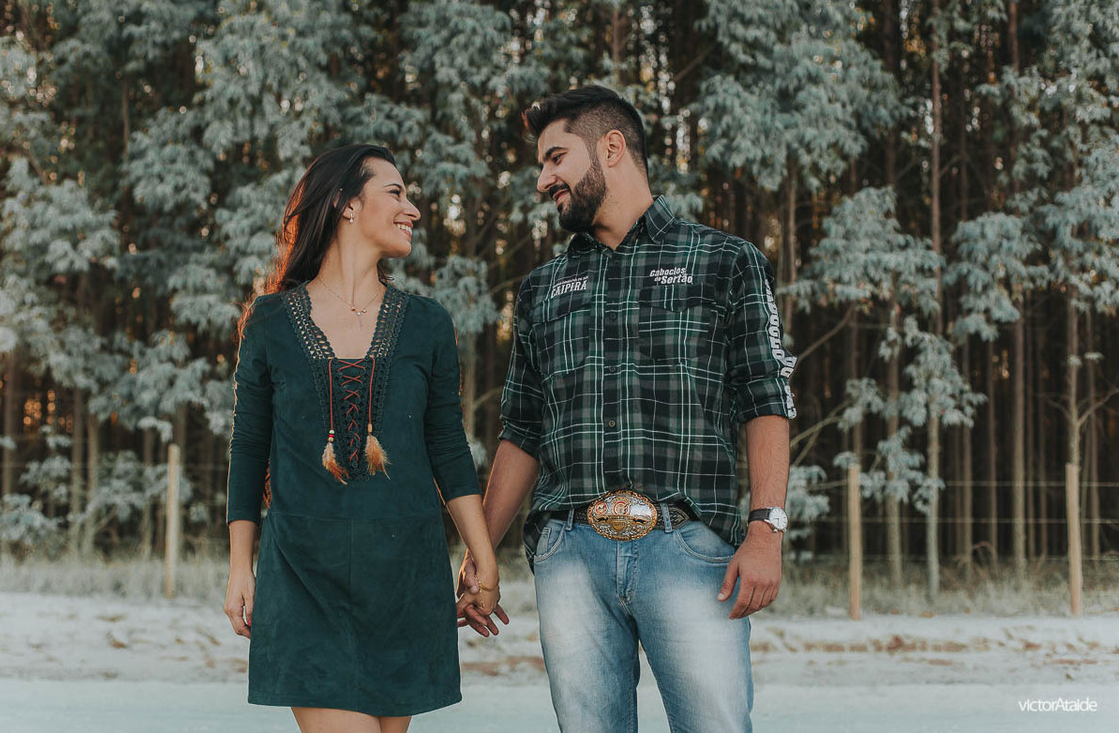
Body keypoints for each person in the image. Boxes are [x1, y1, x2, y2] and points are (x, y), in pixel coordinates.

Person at [456, 87, 797, 732]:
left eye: (556, 158)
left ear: (612, 148)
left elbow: (767, 398)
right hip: (569, 554)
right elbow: (522, 431)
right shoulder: (542, 290)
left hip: (691, 551)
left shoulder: (725, 263)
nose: (543, 179)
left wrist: (766, 530)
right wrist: (481, 556)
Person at [224, 143, 500, 733]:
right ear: (348, 204)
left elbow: (448, 449)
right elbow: (248, 448)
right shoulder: (270, 321)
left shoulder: (428, 323)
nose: (413, 210)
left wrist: (484, 555)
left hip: (405, 577)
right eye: (395, 193)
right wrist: (239, 567)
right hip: (303, 577)